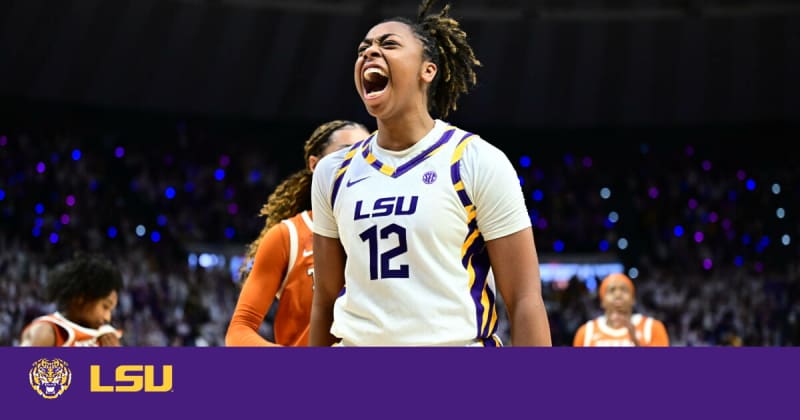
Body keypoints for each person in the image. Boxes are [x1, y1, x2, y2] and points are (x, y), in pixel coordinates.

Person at [309, 0, 552, 346]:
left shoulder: (476, 160)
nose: (370, 52)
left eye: (388, 44)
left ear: (428, 70)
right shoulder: (333, 172)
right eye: (364, 49)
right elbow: (325, 300)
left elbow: (525, 299)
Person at [225, 120, 370, 347]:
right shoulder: (287, 237)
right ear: (315, 164)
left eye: (367, 152)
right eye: (346, 152)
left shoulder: (391, 228)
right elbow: (239, 331)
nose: (359, 161)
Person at [19, 253, 123, 347]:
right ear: (80, 298)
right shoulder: (46, 331)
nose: (108, 318)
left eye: (111, 310)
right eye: (105, 307)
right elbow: (15, 367)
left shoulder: (107, 338)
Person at [572, 273, 670, 347]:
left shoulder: (652, 328)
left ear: (633, 299)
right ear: (602, 301)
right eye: (611, 290)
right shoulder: (586, 332)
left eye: (624, 290)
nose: (618, 295)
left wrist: (636, 341)